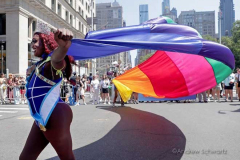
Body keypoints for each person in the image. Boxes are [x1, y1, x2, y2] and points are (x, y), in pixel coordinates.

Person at [19, 25, 75, 160]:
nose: (32, 45)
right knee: (26, 158)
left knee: (66, 157)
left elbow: (57, 60)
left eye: (35, 41)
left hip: (55, 115)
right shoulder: (41, 64)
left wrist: (63, 48)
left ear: (44, 41)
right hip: (42, 116)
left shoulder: (50, 64)